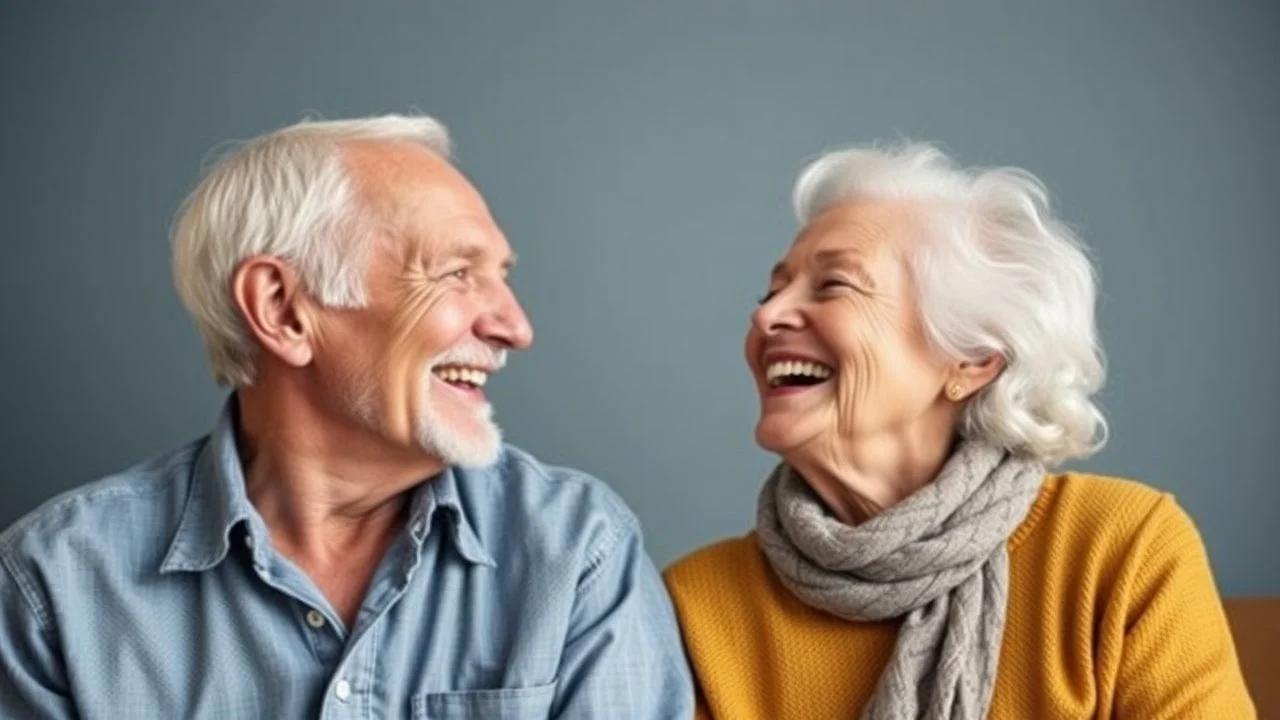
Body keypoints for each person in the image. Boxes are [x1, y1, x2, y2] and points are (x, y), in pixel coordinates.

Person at [0, 114, 693, 718]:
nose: (515, 326)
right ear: (281, 310)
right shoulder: (54, 582)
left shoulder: (574, 550)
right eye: (456, 273)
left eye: (502, 277)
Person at [664, 142, 1255, 719]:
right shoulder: (697, 600)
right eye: (771, 291)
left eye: (834, 285)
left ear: (970, 361)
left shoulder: (1121, 550)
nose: (766, 315)